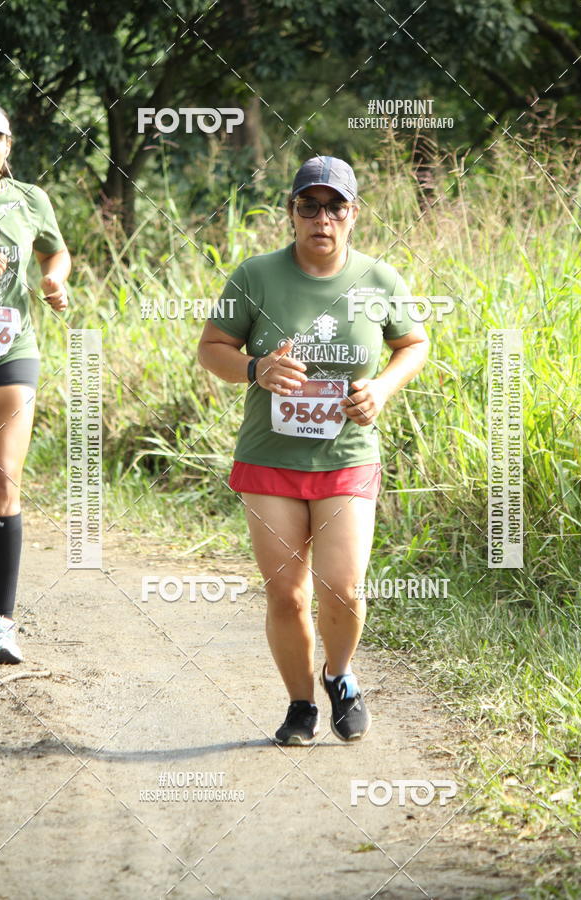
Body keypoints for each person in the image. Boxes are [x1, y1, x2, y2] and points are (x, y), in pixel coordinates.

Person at [198, 155, 429, 744]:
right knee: (285, 591)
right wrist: (256, 367)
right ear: (292, 213)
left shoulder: (380, 279)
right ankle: (300, 704)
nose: (321, 217)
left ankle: (339, 675)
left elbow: (414, 343)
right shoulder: (255, 275)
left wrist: (381, 388)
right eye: (309, 205)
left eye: (334, 207)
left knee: (344, 586)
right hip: (270, 459)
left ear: (352, 215)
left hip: (347, 456)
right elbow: (212, 348)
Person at [0, 105, 71, 664]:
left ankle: (1, 622)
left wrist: (54, 278)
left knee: (4, 480)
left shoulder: (29, 199)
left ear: (8, 143)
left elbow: (56, 249)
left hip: (11, 350)